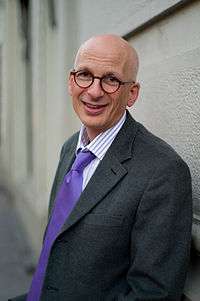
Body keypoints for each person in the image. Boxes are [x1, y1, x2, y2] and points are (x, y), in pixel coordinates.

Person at [10, 34, 192, 301]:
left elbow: (153, 294)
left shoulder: (163, 172)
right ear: (71, 82)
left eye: (111, 80)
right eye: (85, 75)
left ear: (132, 94)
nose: (94, 91)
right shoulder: (70, 147)